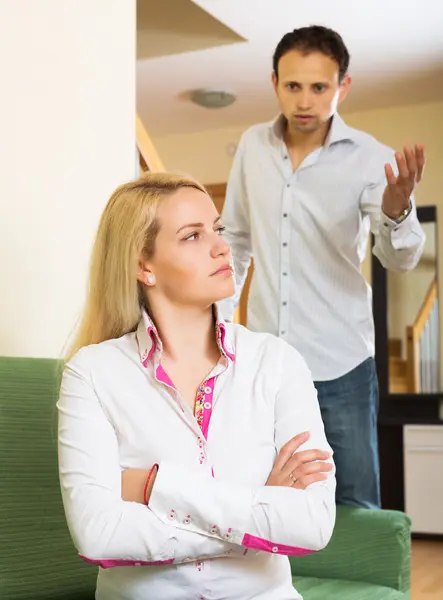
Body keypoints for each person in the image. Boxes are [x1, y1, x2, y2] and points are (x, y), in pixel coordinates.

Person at [57, 172, 335, 600]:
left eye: (218, 229)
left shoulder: (277, 362)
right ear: (142, 265)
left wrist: (155, 486)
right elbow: (98, 534)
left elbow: (312, 524)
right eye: (192, 236)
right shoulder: (91, 373)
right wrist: (260, 509)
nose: (222, 246)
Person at [220, 25, 426, 510]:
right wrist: (220, 319)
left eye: (320, 87)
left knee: (355, 502)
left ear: (343, 87)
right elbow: (236, 239)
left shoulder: (371, 160)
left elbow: (400, 258)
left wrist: (396, 210)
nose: (305, 101)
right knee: (270, 497)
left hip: (342, 364)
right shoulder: (252, 146)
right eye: (293, 86)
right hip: (266, 362)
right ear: (275, 83)